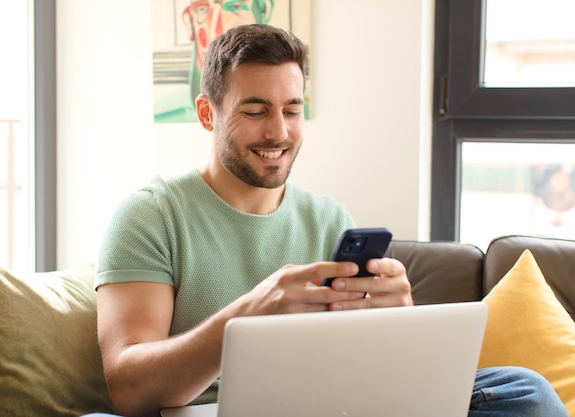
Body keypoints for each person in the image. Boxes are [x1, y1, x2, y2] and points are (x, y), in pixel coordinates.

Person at [90, 24, 567, 417]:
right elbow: (130, 388)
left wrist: (397, 329)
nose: (278, 131)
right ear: (207, 114)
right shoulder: (152, 214)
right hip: (206, 412)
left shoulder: (328, 219)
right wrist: (247, 317)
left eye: (292, 110)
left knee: (524, 392)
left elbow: (366, 371)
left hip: (321, 409)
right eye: (255, 111)